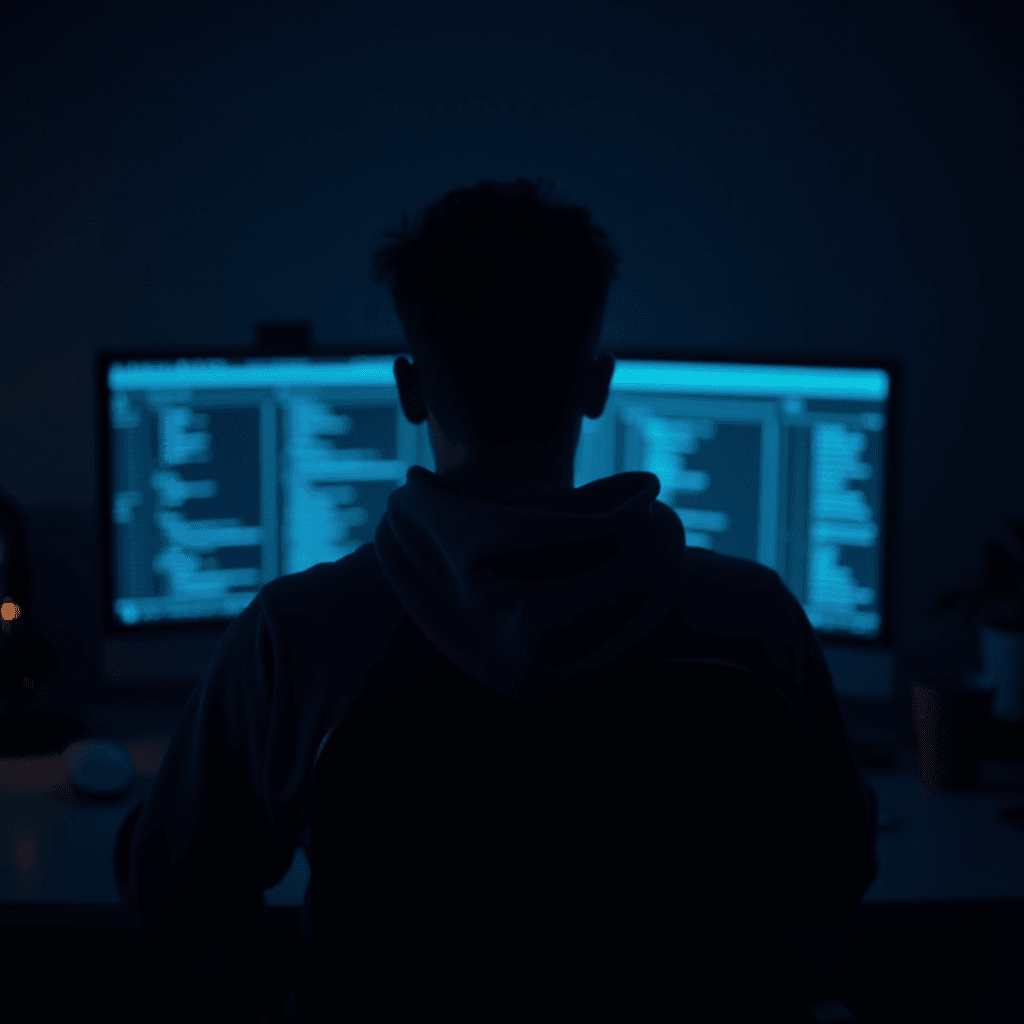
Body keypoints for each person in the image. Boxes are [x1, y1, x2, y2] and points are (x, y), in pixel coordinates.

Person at [115, 178, 877, 1015]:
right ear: (597, 385)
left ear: (409, 391)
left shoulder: (293, 639)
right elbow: (832, 880)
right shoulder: (754, 621)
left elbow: (174, 901)